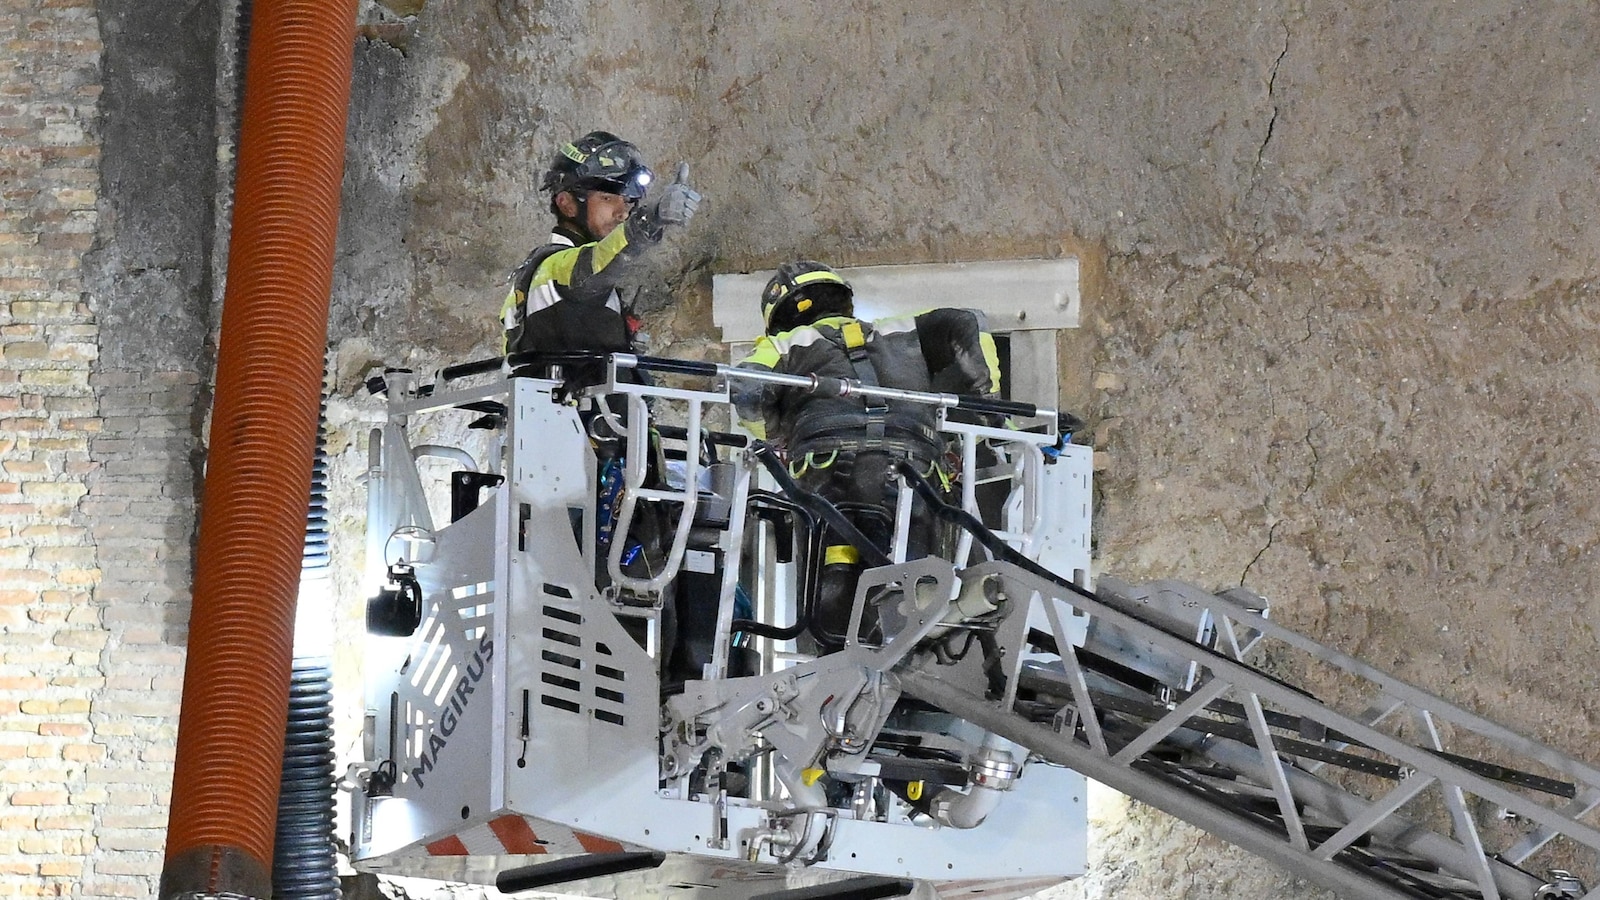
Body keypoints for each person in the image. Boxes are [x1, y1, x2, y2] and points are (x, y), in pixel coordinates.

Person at [732, 260, 1002, 652]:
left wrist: (777, 435)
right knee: (916, 581)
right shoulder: (903, 330)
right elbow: (963, 322)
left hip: (831, 479)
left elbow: (746, 391)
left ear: (780, 316)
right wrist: (985, 400)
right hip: (914, 476)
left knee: (836, 601)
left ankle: (841, 664)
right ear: (842, 300)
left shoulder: (781, 346)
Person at [499, 130, 701, 385]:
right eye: (607, 198)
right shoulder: (554, 266)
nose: (622, 213)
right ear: (567, 203)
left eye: (627, 202)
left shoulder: (538, 273)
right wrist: (651, 220)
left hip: (581, 419)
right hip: (574, 419)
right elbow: (595, 265)